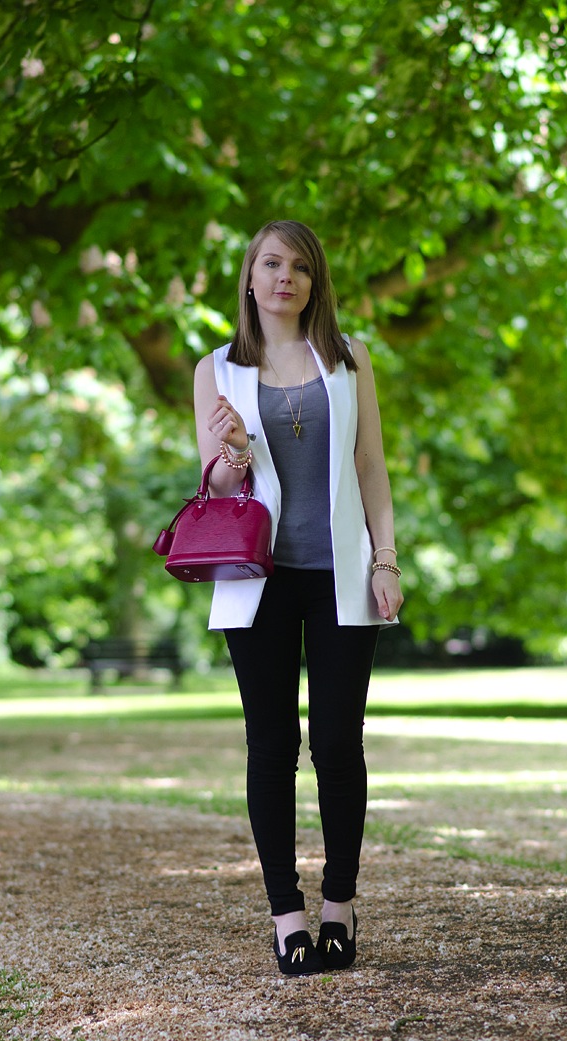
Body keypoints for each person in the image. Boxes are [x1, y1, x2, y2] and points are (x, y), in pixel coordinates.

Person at [193, 219, 403, 976]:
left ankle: (339, 904)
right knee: (271, 745)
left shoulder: (349, 361)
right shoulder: (216, 368)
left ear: (315, 282)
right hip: (259, 583)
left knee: (338, 745)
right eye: (272, 263)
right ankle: (287, 918)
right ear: (249, 278)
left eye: (301, 267)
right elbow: (215, 486)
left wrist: (386, 559)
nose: (286, 276)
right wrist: (233, 454)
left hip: (342, 576)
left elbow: (371, 468)